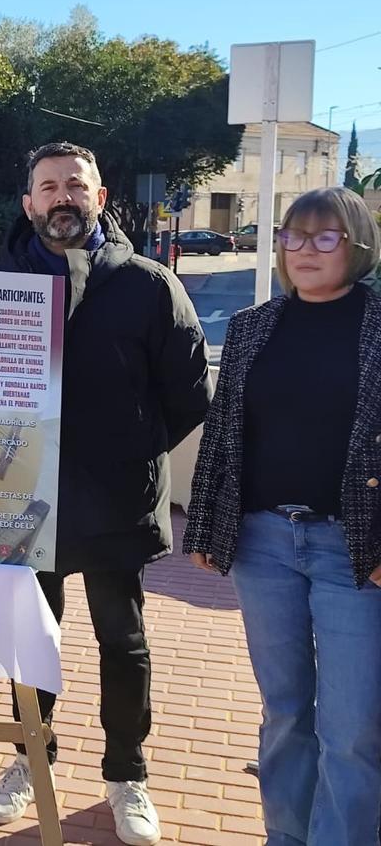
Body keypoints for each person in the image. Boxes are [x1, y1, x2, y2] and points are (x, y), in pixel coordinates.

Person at [0, 143, 211, 846]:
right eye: (48, 187)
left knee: (124, 638)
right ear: (28, 204)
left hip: (117, 500)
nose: (62, 198)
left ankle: (126, 774)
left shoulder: (148, 284)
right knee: (31, 641)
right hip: (23, 500)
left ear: (100, 197)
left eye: (75, 186)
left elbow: (189, 392)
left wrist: (131, 446)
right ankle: (29, 758)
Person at [184, 188, 381, 846]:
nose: (305, 250)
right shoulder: (252, 326)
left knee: (351, 727)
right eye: (294, 236)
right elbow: (223, 434)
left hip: (355, 547)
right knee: (286, 711)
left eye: (325, 238)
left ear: (356, 246)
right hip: (265, 543)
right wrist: (208, 528)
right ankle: (286, 835)